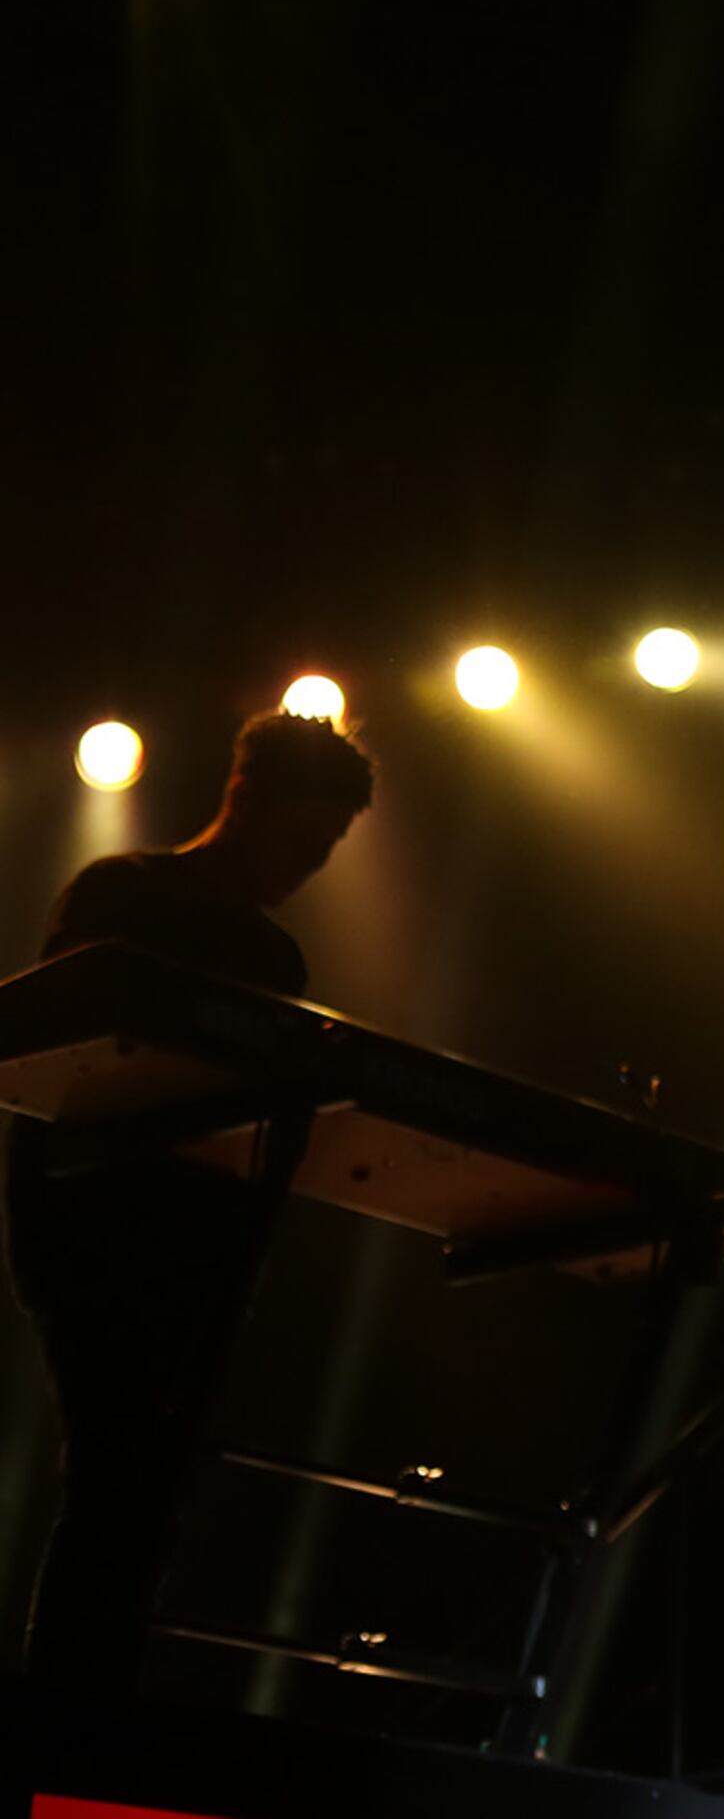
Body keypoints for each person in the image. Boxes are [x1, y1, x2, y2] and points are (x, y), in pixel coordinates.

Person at [9, 707, 374, 1690]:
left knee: (146, 1487)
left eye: (328, 848)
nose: (314, 865)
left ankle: (82, 1708)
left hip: (200, 1253)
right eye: (307, 839)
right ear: (244, 797)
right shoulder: (122, 892)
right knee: (116, 1475)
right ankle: (65, 1719)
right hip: (92, 1229)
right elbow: (55, 1058)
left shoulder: (276, 959)